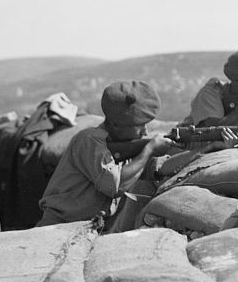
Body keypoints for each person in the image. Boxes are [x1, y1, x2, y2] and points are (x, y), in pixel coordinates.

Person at [36, 81, 174, 227]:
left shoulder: (121, 143)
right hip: (58, 226)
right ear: (115, 125)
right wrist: (149, 150)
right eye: (138, 127)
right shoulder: (89, 141)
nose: (145, 132)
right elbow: (115, 186)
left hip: (88, 226)